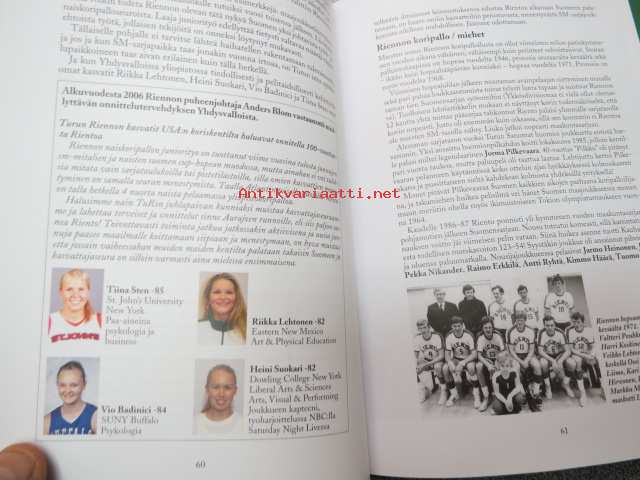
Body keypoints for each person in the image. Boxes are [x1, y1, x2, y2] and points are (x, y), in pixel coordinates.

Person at [43, 361, 97, 435]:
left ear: (84, 385)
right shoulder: (47, 421)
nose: (68, 390)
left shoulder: (95, 416)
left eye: (74, 385)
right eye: (62, 385)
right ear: (57, 385)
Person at [48, 269, 102, 344]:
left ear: (88, 292)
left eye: (81, 289)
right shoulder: (49, 322)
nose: (75, 295)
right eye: (69, 289)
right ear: (61, 292)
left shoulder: (100, 321)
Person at [198, 273, 247, 346]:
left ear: (237, 298)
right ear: (208, 298)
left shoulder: (247, 329)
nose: (223, 297)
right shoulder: (197, 328)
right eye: (217, 292)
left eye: (229, 292)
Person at [507, 312, 543, 411]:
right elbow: (511, 350)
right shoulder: (510, 331)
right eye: (517, 320)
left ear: (525, 321)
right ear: (515, 321)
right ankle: (521, 392)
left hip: (528, 354)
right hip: (516, 355)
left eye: (521, 320)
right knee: (516, 369)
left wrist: (526, 360)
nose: (519, 322)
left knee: (537, 365)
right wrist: (520, 361)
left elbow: (532, 349)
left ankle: (536, 392)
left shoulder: (530, 330)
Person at [195, 365, 243, 434]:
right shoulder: (194, 424)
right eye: (216, 387)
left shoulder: (243, 424)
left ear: (235, 391)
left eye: (227, 387)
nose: (221, 394)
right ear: (207, 390)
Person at [537, 315, 576, 400]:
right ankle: (548, 386)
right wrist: (552, 361)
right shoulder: (541, 333)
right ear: (544, 325)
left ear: (555, 325)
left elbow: (568, 351)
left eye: (552, 325)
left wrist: (560, 361)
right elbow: (540, 351)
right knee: (543, 363)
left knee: (572, 363)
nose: (550, 328)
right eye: (547, 325)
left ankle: (565, 384)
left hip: (559, 355)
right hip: (548, 356)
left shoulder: (560, 332)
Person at [443, 316, 478, 408]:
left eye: (459, 326)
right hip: (456, 359)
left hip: (468, 358)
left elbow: (474, 354)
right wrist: (450, 362)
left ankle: (477, 396)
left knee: (471, 368)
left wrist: (463, 363)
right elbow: (447, 354)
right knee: (445, 368)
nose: (457, 328)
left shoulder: (468, 335)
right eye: (455, 326)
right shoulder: (449, 336)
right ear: (451, 326)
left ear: (463, 325)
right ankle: (454, 395)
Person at [566, 312, 597, 407]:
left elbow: (593, 346)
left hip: (586, 353)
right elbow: (572, 349)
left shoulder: (588, 330)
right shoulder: (570, 331)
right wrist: (585, 356)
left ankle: (603, 387)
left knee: (596, 360)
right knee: (578, 361)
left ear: (583, 322)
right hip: (577, 354)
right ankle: (583, 393)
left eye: (578, 322)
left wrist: (591, 355)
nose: (576, 324)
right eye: (574, 322)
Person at [475, 317, 505, 412]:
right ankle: (486, 397)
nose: (488, 330)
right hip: (487, 360)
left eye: (489, 327)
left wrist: (497, 362)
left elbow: (503, 353)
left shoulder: (498, 336)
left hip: (498, 360)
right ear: (482, 328)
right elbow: (479, 355)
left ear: (493, 327)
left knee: (503, 367)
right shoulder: (480, 337)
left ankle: (499, 396)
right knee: (478, 366)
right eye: (485, 328)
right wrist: (488, 365)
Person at [413, 319, 446, 404]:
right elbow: (415, 356)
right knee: (413, 367)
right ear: (418, 329)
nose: (423, 330)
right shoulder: (417, 338)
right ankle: (422, 389)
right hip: (427, 360)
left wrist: (427, 364)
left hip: (438, 360)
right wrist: (418, 364)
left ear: (429, 327)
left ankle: (443, 391)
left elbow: (441, 356)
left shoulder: (436, 336)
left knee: (437, 367)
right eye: (420, 328)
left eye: (424, 327)